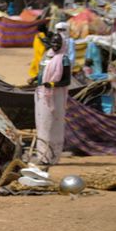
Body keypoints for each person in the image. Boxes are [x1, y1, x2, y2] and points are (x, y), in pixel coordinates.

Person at [32, 23, 72, 165]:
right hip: (42, 95)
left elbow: (67, 80)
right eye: (53, 41)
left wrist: (53, 84)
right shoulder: (46, 56)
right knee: (42, 125)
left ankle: (53, 157)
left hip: (56, 96)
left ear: (62, 43)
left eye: (58, 42)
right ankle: (43, 155)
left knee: (52, 125)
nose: (55, 44)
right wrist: (35, 79)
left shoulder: (64, 59)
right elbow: (42, 73)